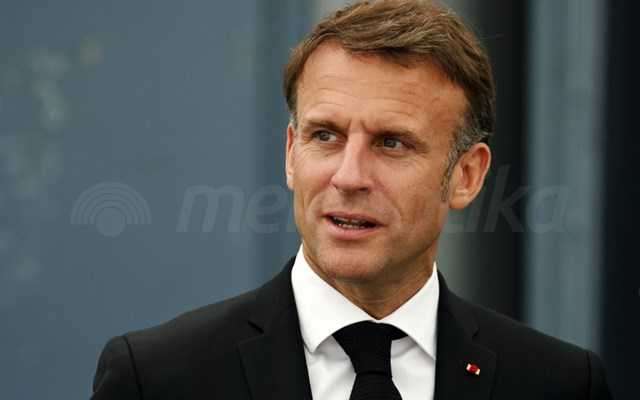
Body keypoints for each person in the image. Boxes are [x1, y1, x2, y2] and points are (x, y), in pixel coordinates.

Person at [90, 1, 612, 399]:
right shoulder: (158, 378)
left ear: (467, 175)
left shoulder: (559, 384)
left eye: (392, 143)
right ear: (291, 153)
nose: (349, 176)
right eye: (325, 136)